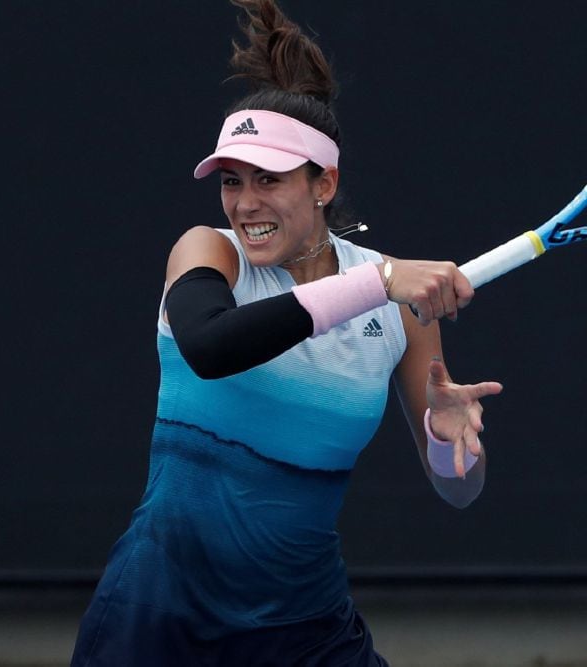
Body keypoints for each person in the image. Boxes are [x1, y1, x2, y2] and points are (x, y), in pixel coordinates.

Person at [71, 1, 502, 664]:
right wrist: (380, 280)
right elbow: (212, 347)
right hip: (159, 616)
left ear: (323, 183)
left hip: (306, 627)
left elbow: (458, 490)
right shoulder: (206, 251)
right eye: (233, 182)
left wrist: (451, 444)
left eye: (269, 180)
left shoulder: (399, 309)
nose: (245, 205)